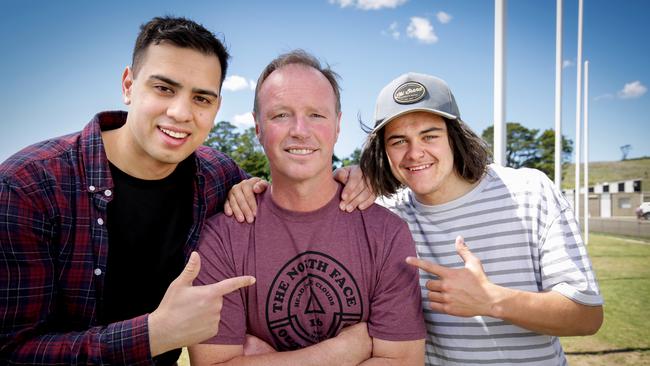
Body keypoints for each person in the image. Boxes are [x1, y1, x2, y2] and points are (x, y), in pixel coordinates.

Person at [228, 72, 605, 365]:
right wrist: (248, 188)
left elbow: (587, 316)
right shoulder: (388, 214)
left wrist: (492, 300)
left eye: (429, 135)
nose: (414, 153)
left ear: (455, 136)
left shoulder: (530, 191)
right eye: (398, 141)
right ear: (383, 151)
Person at [0, 16, 257, 365]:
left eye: (201, 98)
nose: (181, 112)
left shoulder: (220, 176)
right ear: (128, 85)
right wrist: (153, 335)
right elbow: (11, 350)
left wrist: (353, 181)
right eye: (164, 88)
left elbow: (290, 203)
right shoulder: (27, 186)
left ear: (216, 109)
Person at [188, 50, 426, 365]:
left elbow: (403, 361)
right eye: (281, 115)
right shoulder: (221, 238)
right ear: (258, 127)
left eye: (316, 114)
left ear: (338, 125)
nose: (300, 129)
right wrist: (341, 352)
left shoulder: (387, 233)